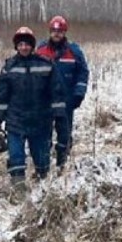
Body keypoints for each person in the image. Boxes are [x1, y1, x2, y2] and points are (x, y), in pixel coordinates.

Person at [0, 26, 65, 199]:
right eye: (20, 44)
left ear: (32, 46)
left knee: (42, 161)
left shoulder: (46, 64)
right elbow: (2, 97)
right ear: (16, 46)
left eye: (27, 44)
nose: (24, 47)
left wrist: (59, 117)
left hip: (41, 121)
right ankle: (19, 193)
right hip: (16, 121)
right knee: (16, 158)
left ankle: (42, 192)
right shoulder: (9, 67)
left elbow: (56, 92)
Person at [36, 15, 89, 170]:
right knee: (43, 134)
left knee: (64, 134)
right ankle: (43, 167)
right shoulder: (40, 49)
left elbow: (82, 73)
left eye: (60, 31)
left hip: (66, 100)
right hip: (44, 101)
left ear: (65, 32)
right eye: (54, 30)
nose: (56, 34)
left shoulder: (74, 51)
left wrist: (79, 93)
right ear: (49, 31)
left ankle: (62, 163)